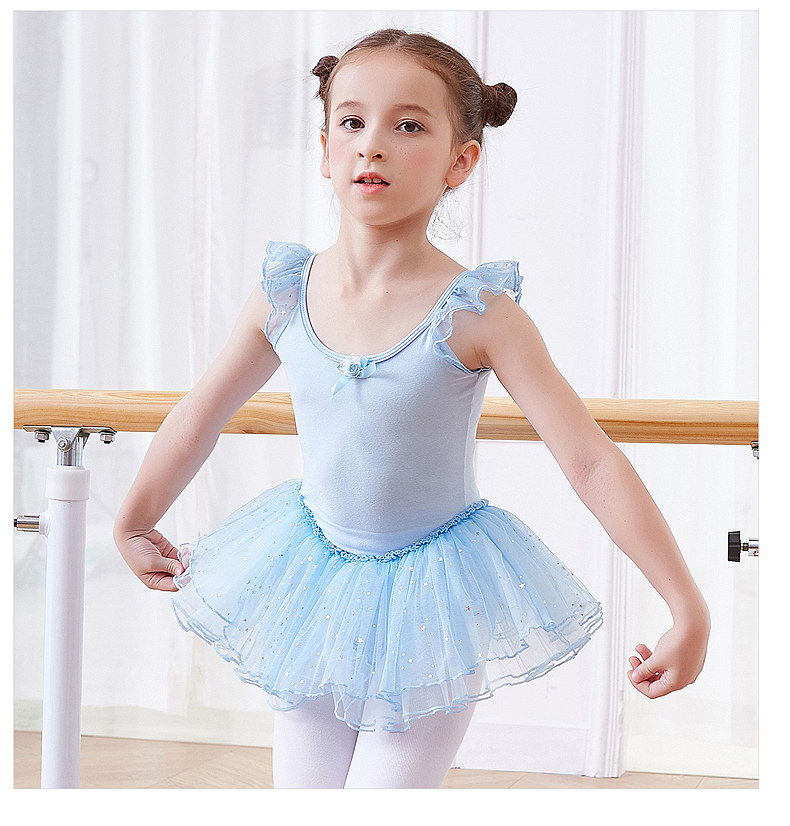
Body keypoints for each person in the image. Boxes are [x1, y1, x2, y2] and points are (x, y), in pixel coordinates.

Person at [113, 27, 710, 789]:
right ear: (324, 149)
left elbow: (591, 461)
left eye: (408, 125)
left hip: (432, 596)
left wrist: (686, 605)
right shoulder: (285, 294)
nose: (373, 145)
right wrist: (134, 518)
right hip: (309, 582)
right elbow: (201, 414)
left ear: (461, 161)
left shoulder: (478, 313)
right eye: (352, 122)